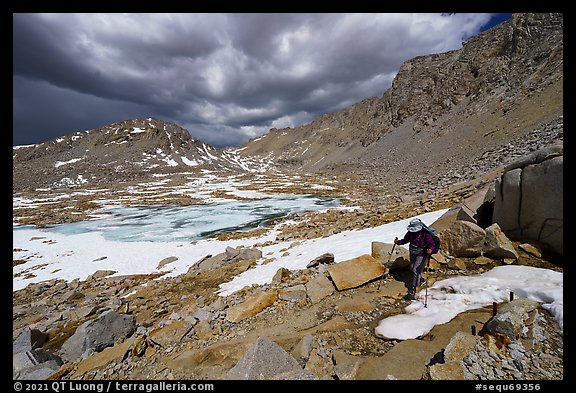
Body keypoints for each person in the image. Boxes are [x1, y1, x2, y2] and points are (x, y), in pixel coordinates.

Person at [394, 218, 438, 300]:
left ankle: (414, 288)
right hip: (413, 252)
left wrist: (431, 250)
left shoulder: (426, 234)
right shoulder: (410, 233)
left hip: (421, 254)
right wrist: (398, 242)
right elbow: (405, 240)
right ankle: (418, 280)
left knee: (416, 270)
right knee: (412, 267)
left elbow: (432, 245)